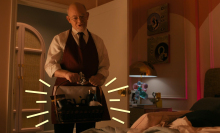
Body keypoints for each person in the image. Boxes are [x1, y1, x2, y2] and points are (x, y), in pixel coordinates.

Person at [44, 2, 110, 133]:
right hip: (64, 95)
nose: (79, 21)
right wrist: (66, 74)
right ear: (68, 19)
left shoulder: (98, 41)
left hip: (90, 96)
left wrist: (99, 77)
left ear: (87, 16)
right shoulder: (59, 39)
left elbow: (104, 66)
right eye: (75, 17)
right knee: (63, 131)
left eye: (82, 16)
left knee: (88, 131)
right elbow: (50, 66)